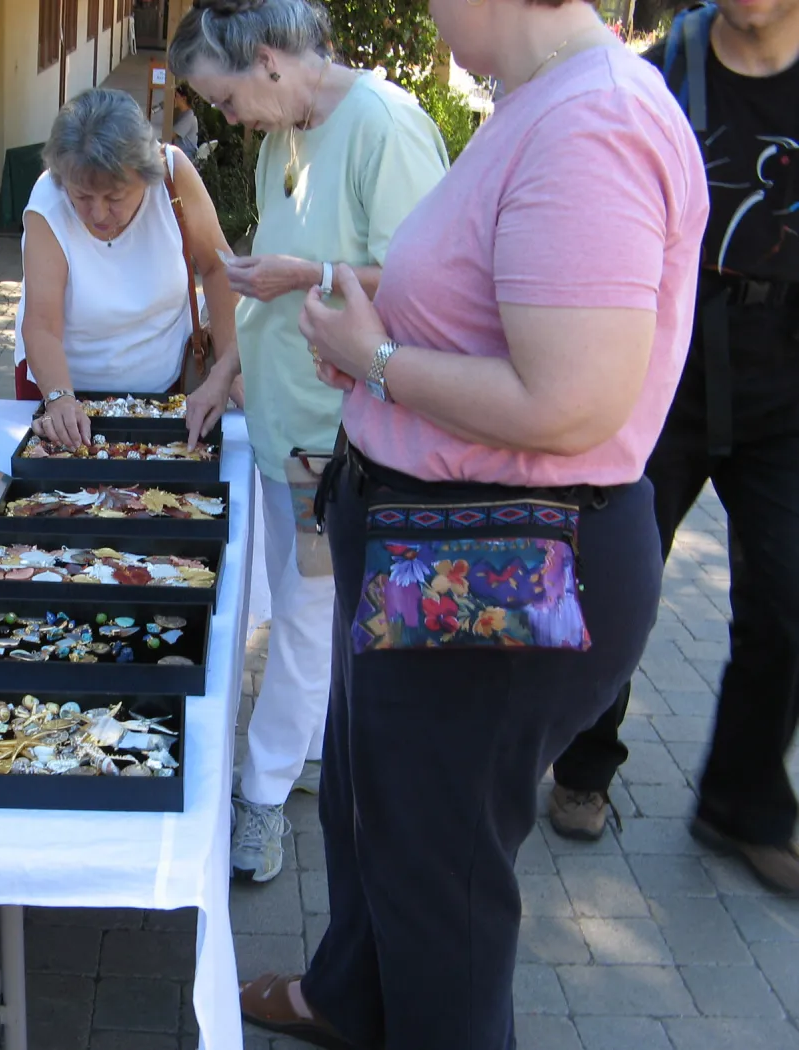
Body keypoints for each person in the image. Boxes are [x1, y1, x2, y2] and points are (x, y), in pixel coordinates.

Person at [236, 0, 709, 1042]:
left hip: (497, 559)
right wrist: (377, 332)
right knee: (377, 820)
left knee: (436, 882)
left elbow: (567, 402)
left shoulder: (592, 125)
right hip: (438, 544)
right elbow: (489, 310)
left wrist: (379, 363)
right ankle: (348, 1001)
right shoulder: (537, 103)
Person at [169, 0, 448, 882]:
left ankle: (261, 796)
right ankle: (302, 748)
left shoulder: (384, 127)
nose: (227, 117)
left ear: (271, 61)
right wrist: (223, 370)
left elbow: (426, 288)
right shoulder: (281, 139)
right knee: (303, 607)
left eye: (227, 97)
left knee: (301, 615)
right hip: (282, 423)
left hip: (343, 435)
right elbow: (266, 280)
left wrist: (311, 275)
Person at [547, 0, 799, 893]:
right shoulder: (662, 71)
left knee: (785, 600)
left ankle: (746, 801)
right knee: (623, 581)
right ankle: (581, 765)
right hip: (671, 362)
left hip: (786, 374)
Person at [14, 87, 240, 449]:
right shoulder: (47, 201)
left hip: (167, 390)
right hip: (63, 392)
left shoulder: (172, 176)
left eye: (115, 197)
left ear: (146, 174)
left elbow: (218, 268)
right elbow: (41, 324)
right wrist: (58, 397)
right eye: (83, 197)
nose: (99, 213)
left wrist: (229, 369)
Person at [171, 83, 201, 157]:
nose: (173, 98)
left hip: (186, 157)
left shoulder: (189, 116)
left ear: (184, 98)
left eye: (176, 96)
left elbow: (171, 135)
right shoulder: (184, 114)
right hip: (180, 156)